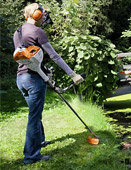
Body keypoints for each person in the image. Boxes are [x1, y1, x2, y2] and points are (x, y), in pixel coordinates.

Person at [13, 3, 83, 164]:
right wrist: (73, 74)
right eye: (42, 13)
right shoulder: (37, 31)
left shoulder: (18, 32)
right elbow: (55, 56)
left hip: (21, 79)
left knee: (35, 113)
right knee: (34, 117)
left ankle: (40, 141)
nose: (44, 16)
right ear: (36, 14)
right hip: (33, 79)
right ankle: (31, 156)